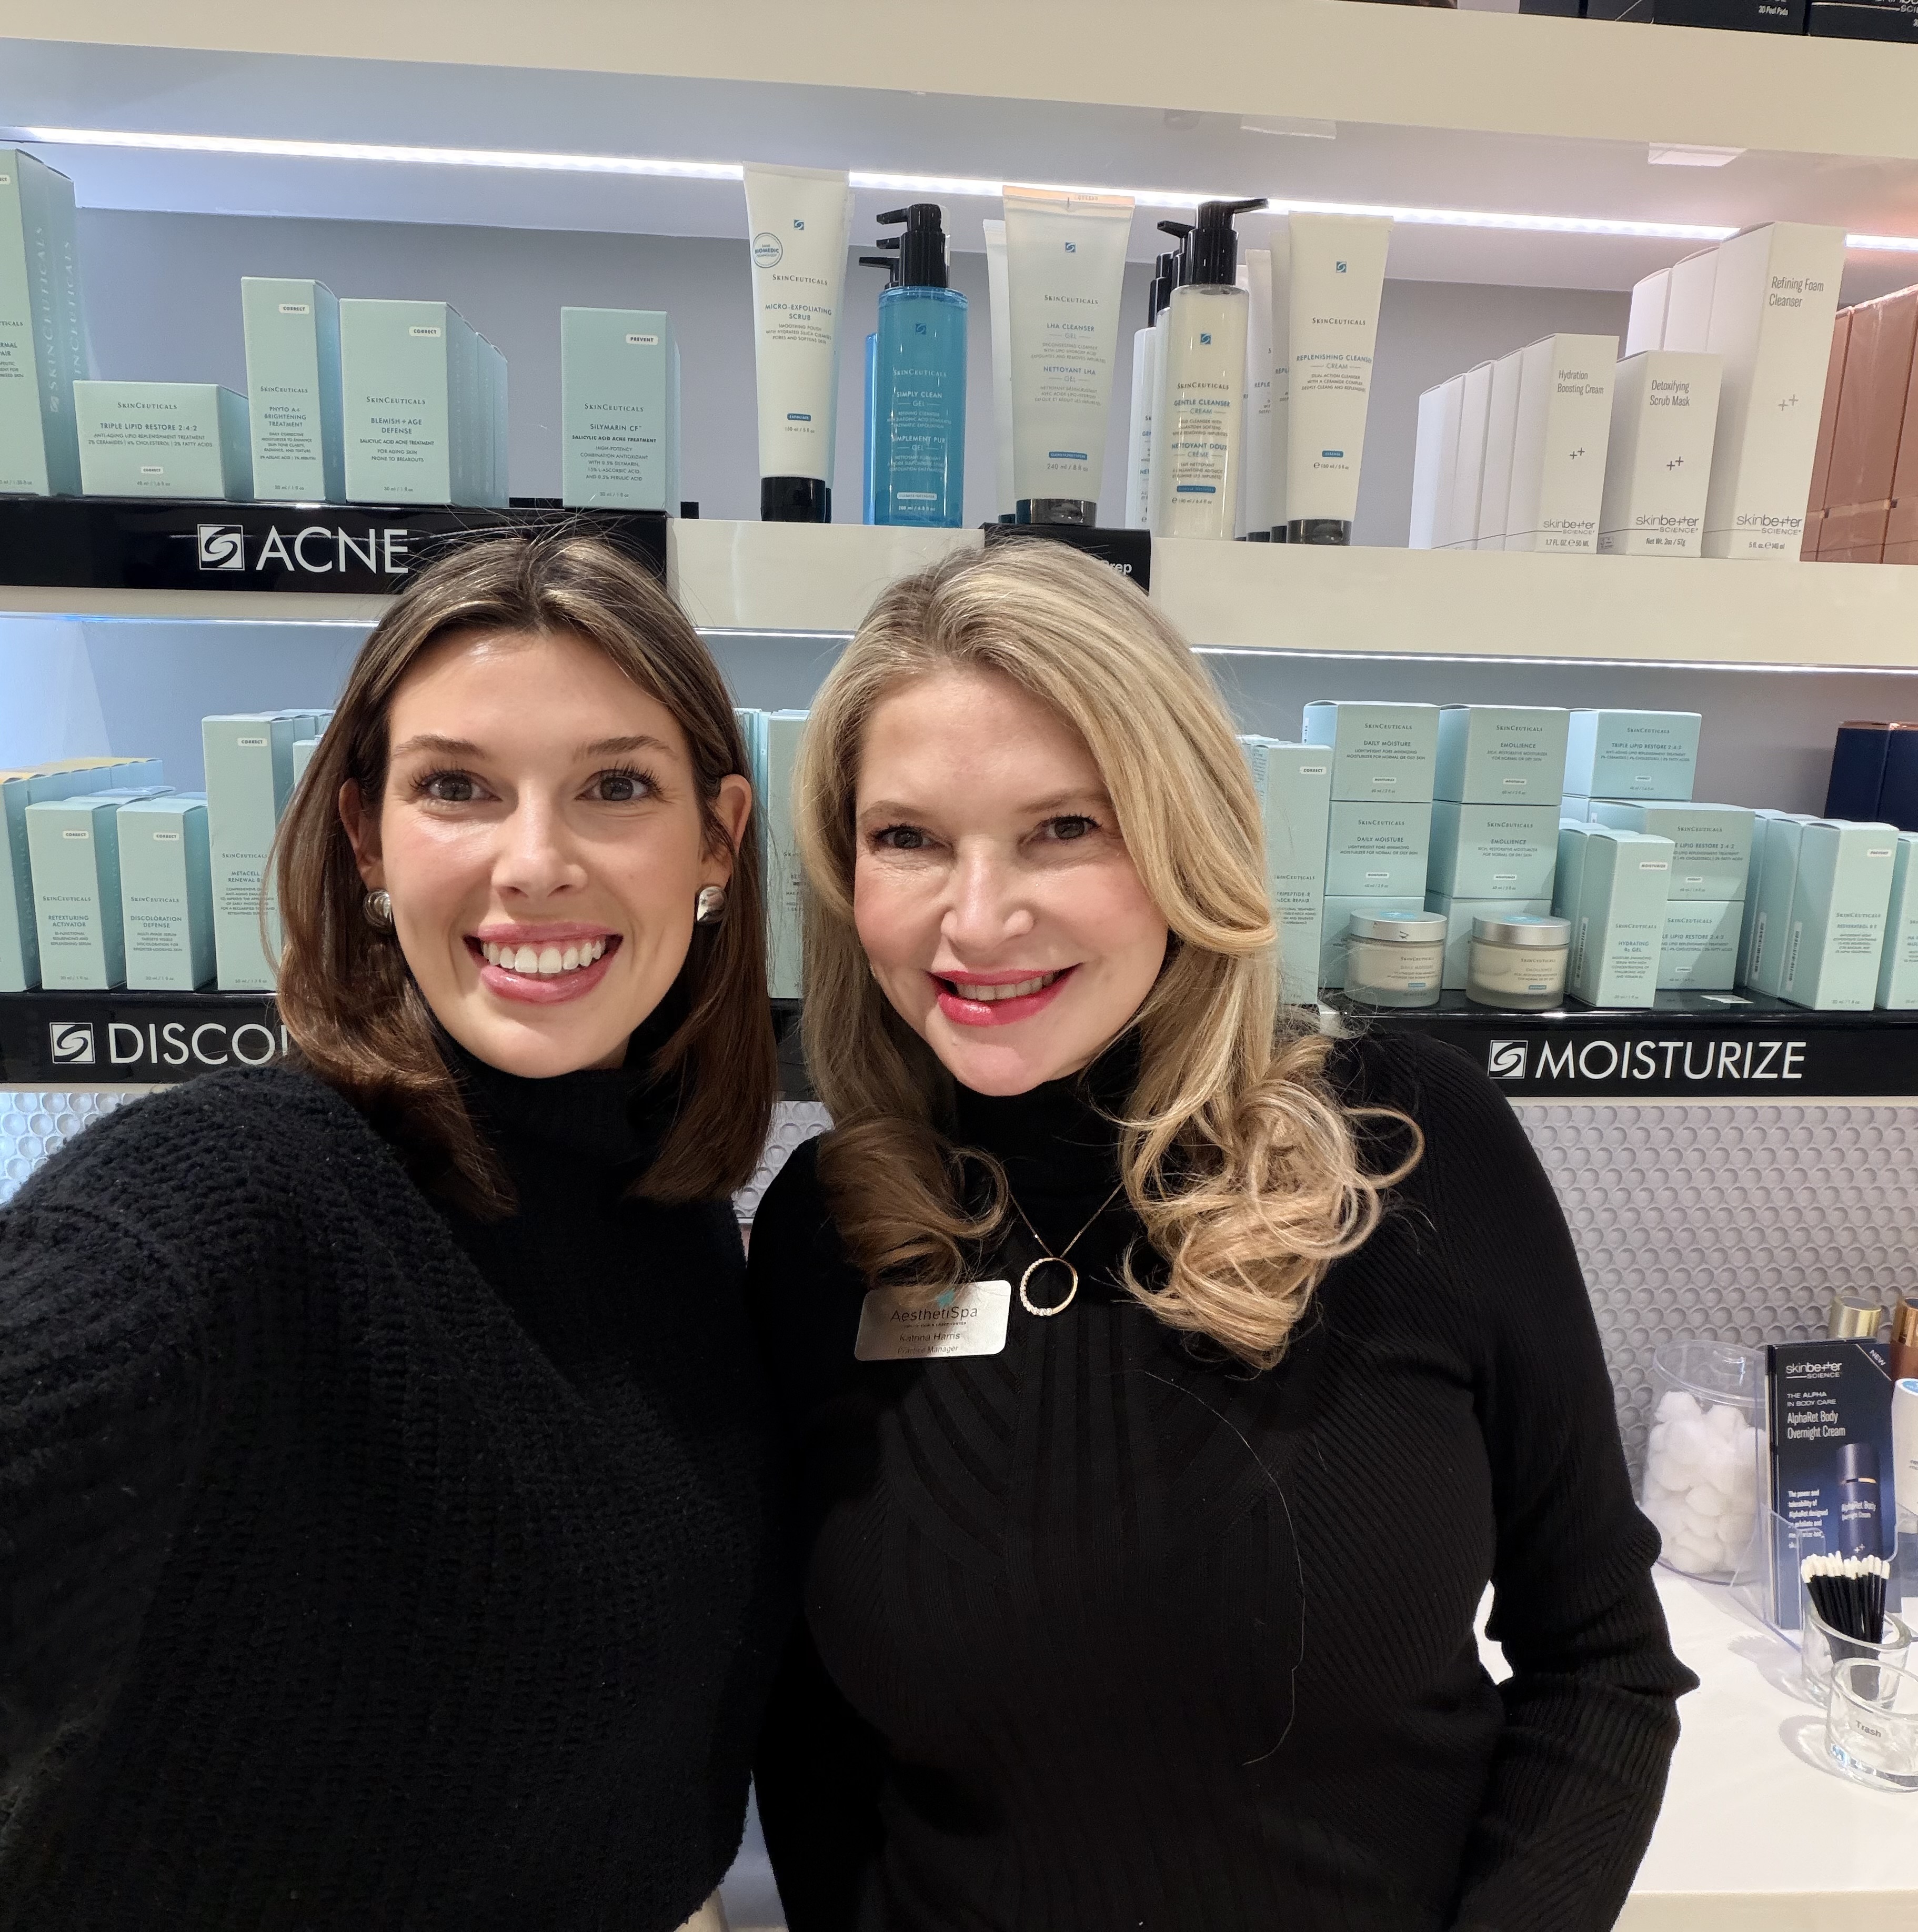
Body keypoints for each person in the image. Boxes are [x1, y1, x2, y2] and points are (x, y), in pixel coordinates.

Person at [749, 541, 1695, 1932]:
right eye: (909, 839)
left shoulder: (1407, 1148)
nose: (979, 916)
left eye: (1065, 828)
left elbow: (1602, 1661)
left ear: (1183, 835)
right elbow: (808, 1725)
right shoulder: (827, 1234)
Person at [0, 534, 786, 1931]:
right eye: (457, 789)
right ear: (366, 837)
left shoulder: (672, 1216)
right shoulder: (238, 1194)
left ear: (718, 839)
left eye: (616, 787)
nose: (534, 865)